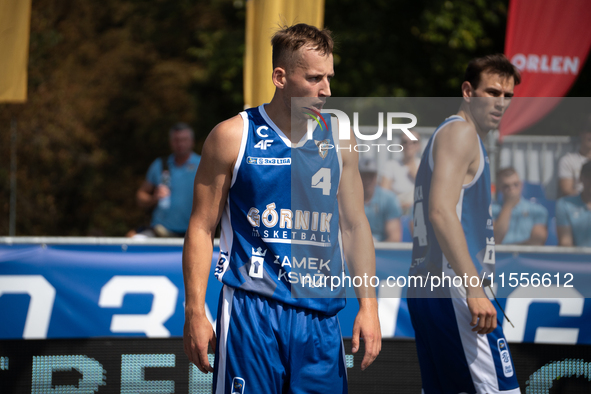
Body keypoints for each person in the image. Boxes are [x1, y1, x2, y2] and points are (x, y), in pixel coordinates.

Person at [182, 24, 380, 393]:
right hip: (251, 312)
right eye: (315, 78)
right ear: (280, 77)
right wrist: (194, 310)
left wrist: (369, 306)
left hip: (320, 317)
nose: (327, 90)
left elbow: (354, 226)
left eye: (329, 78)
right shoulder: (232, 135)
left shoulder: (339, 137)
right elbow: (200, 227)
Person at [408, 54, 521, 393]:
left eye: (508, 96)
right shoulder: (461, 133)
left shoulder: (454, 134)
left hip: (432, 286)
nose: (501, 102)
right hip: (454, 287)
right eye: (493, 92)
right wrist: (474, 287)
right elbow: (441, 211)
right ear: (468, 91)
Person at [134, 123, 201, 237]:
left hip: (193, 232)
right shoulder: (160, 164)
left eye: (184, 139)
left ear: (192, 141)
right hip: (160, 230)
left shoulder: (202, 164)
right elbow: (140, 195)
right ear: (171, 142)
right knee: (136, 240)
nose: (180, 144)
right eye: (176, 140)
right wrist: (153, 198)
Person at [492, 167, 548, 245]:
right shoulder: (491, 210)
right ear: (499, 188)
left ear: (521, 185)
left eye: (516, 184)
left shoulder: (538, 210)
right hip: (499, 256)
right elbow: (496, 239)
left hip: (526, 256)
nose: (512, 189)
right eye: (506, 186)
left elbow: (537, 242)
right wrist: (508, 205)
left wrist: (511, 250)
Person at [360, 156, 403, 242]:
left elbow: (394, 237)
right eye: (364, 175)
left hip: (381, 251)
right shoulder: (348, 199)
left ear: (376, 177)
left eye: (371, 175)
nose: (367, 180)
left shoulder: (388, 199)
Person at [379, 130, 421, 214]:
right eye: (405, 142)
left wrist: (416, 176)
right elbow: (384, 193)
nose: (409, 145)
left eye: (413, 142)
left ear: (419, 146)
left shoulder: (423, 165)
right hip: (397, 212)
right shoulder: (391, 165)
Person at [556, 160, 591, 247]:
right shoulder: (564, 204)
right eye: (589, 176)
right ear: (581, 178)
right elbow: (566, 243)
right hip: (577, 260)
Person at [557, 119, 591, 197]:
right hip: (577, 205)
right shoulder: (568, 160)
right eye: (589, 130)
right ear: (581, 133)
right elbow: (567, 190)